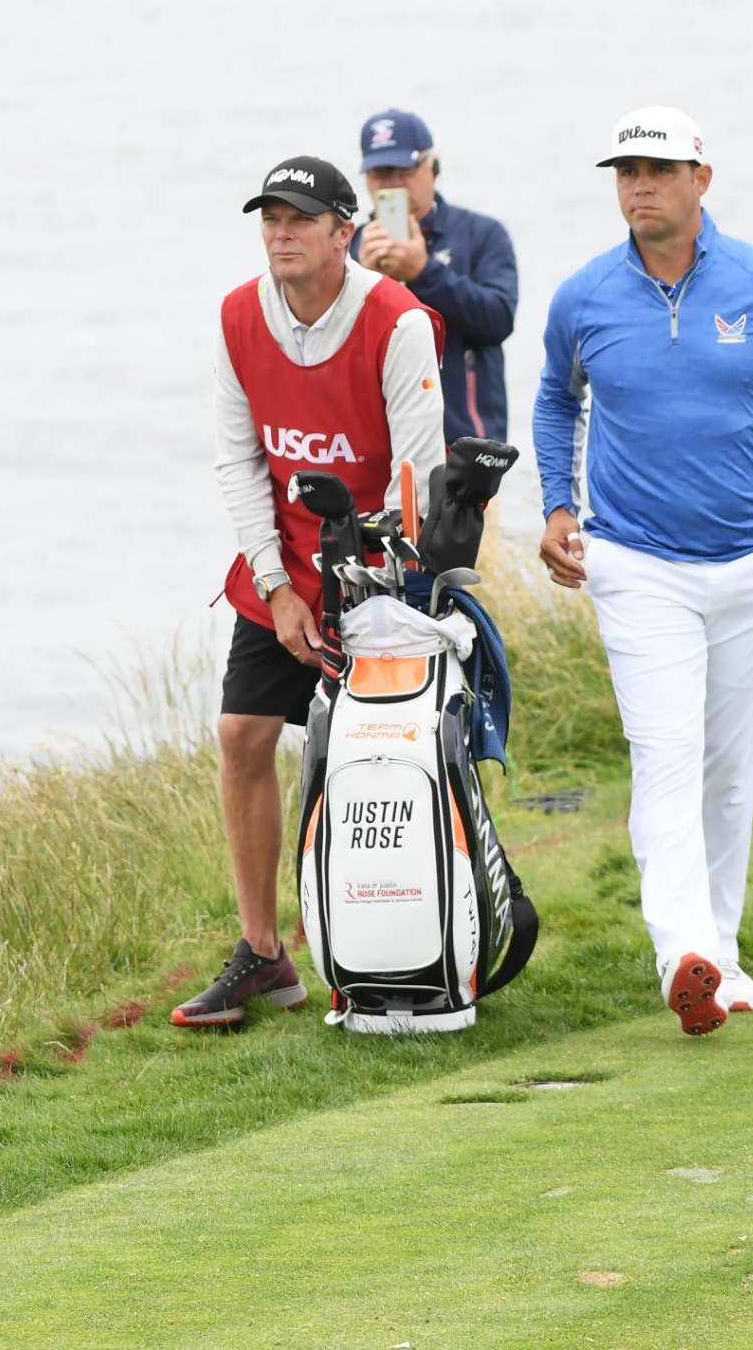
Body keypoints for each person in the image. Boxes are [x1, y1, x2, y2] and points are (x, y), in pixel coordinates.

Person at [533, 105, 753, 1036]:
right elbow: (556, 400)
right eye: (626, 171)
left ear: (700, 180)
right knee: (665, 755)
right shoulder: (584, 297)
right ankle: (684, 953)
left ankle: (725, 953)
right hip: (637, 564)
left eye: (659, 170)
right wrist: (558, 506)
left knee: (729, 770)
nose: (639, 186)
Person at [172, 155, 445, 1028]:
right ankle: (263, 951)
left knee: (382, 751)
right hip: (284, 568)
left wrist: (370, 587)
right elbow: (241, 462)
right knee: (242, 734)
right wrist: (276, 588)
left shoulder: (396, 320)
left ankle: (405, 937)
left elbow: (417, 475)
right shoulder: (237, 316)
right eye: (270, 220)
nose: (281, 234)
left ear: (342, 232)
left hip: (379, 570)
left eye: (299, 219)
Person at [353, 108, 520, 443]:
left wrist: (423, 272)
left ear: (433, 167)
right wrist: (363, 283)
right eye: (381, 174)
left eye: (405, 171)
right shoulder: (354, 246)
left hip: (465, 442)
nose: (393, 185)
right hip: (380, 440)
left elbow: (499, 319)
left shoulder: (480, 233)